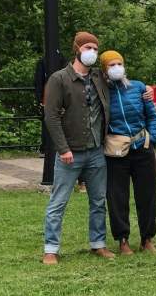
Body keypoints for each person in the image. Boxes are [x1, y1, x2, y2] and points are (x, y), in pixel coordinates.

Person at [41, 31, 114, 263]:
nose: (92, 52)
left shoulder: (99, 77)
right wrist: (63, 149)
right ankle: (51, 249)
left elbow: (121, 85)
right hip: (69, 152)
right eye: (87, 48)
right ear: (77, 49)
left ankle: (98, 244)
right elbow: (51, 116)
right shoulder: (59, 79)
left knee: (98, 200)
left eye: (95, 48)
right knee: (58, 201)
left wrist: (144, 91)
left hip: (95, 151)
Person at [101, 50, 156, 255]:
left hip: (142, 148)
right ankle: (122, 239)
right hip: (116, 152)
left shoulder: (139, 87)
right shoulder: (102, 92)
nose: (116, 67)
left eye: (119, 63)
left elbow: (152, 115)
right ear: (104, 69)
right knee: (117, 196)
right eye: (111, 65)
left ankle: (147, 238)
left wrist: (151, 137)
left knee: (147, 194)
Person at [34, 50, 67, 187]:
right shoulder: (63, 61)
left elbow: (38, 82)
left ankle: (45, 147)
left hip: (48, 98)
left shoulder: (44, 61)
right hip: (56, 98)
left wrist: (39, 99)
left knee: (48, 124)